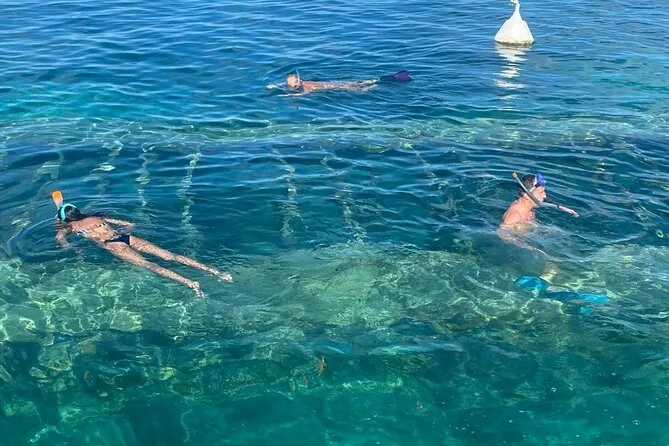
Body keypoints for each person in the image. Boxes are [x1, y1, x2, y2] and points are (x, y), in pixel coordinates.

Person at [51, 191, 231, 297]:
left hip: (112, 245)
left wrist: (72, 246)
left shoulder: (71, 227)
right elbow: (129, 224)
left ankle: (190, 283)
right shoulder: (98, 217)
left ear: (65, 219)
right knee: (170, 256)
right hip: (126, 237)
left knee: (149, 265)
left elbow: (60, 239)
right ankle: (216, 272)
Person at [269, 70, 411, 95]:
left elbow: (304, 93)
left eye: (291, 84)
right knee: (358, 83)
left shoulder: (306, 86)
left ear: (298, 82)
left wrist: (291, 95)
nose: (289, 85)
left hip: (333, 86)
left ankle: (379, 83)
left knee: (359, 88)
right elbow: (287, 85)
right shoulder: (302, 82)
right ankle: (381, 79)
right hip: (333, 83)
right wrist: (275, 86)